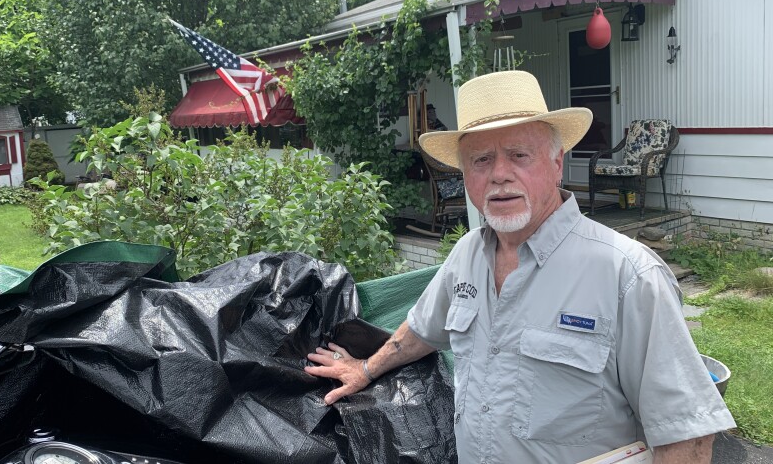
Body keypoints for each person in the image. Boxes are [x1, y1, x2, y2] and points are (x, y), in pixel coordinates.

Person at [305, 71, 735, 463]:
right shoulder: (467, 256)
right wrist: (365, 369)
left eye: (519, 155)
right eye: (480, 160)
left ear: (556, 163)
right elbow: (421, 330)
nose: (499, 175)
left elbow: (688, 437)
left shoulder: (629, 276)